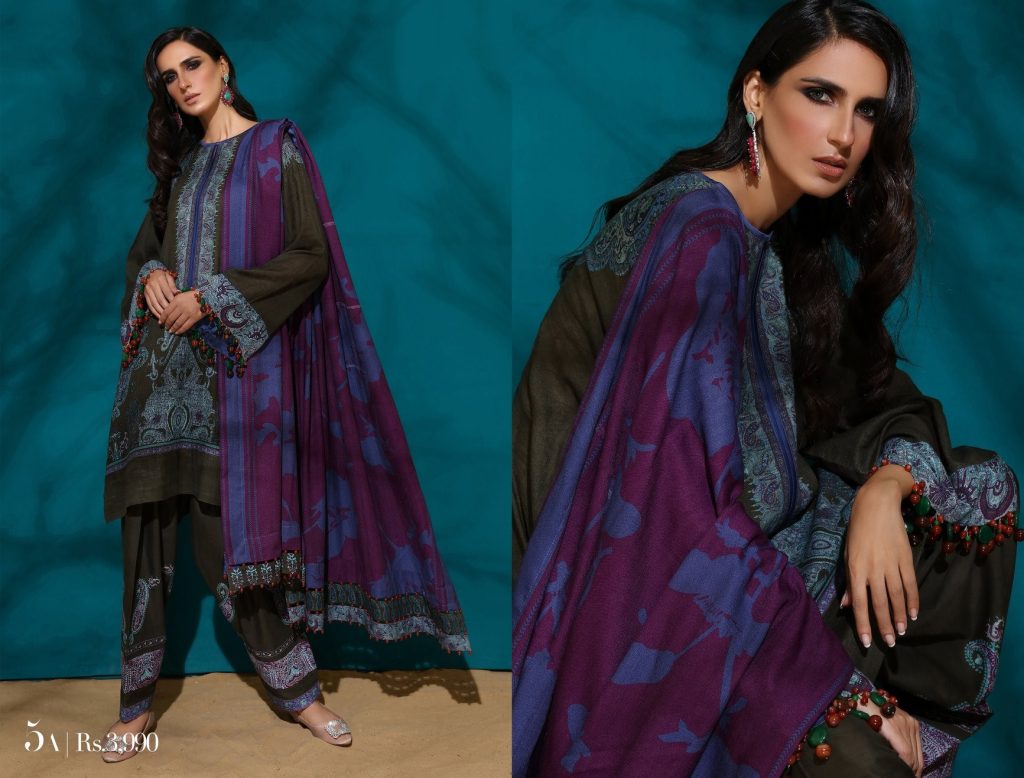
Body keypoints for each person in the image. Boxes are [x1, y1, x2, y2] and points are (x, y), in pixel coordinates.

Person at [511, 1, 1019, 775]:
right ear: (756, 93)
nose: (844, 134)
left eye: (866, 110)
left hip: (738, 566)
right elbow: (677, 513)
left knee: (972, 485)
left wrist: (887, 486)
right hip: (632, 605)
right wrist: (841, 688)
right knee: (862, 757)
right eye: (820, 94)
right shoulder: (700, 236)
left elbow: (887, 399)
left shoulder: (777, 249)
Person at [102, 27, 469, 763]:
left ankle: (299, 692)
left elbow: (309, 254)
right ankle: (134, 706)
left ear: (223, 67)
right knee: (145, 541)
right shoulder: (181, 168)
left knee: (229, 545)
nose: (183, 82)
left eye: (193, 65)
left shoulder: (277, 147)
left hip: (233, 383)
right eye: (169, 76)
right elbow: (148, 250)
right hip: (159, 385)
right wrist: (151, 275)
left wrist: (211, 297)